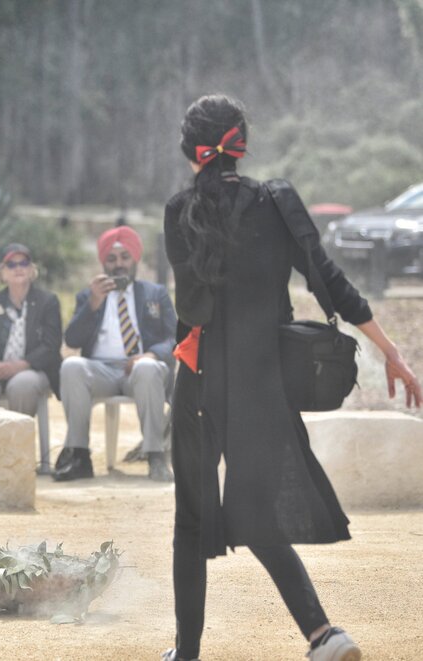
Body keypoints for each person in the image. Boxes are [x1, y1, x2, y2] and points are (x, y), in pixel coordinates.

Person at [162, 94, 422, 661]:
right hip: (261, 385)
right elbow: (329, 282)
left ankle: (186, 654)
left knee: (191, 519)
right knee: (257, 515)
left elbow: (192, 312)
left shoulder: (179, 211)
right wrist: (390, 351)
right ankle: (324, 636)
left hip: (200, 382)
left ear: (193, 151)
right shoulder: (276, 202)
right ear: (241, 146)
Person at [54, 225, 177, 482]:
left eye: (124, 258)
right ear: (104, 263)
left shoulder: (155, 293)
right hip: (101, 370)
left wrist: (152, 355)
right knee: (72, 366)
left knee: (148, 369)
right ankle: (79, 456)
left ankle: (155, 455)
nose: (118, 264)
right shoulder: (89, 295)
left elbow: (174, 337)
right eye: (111, 259)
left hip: (141, 369)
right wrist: (93, 304)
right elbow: (72, 339)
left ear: (135, 259)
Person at [0, 242, 61, 418]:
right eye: (11, 264)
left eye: (23, 263)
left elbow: (51, 346)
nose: (18, 268)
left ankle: (18, 443)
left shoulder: (47, 302)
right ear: (1, 272)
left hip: (31, 369)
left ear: (32, 269)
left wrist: (21, 365)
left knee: (22, 384)